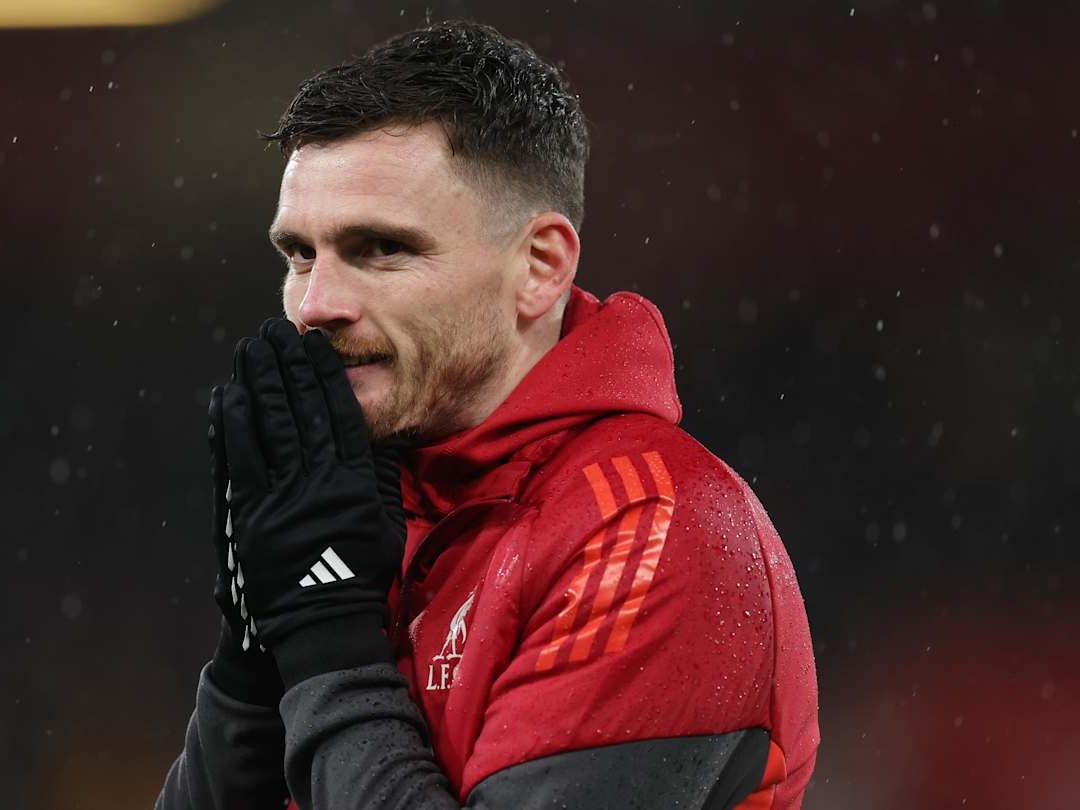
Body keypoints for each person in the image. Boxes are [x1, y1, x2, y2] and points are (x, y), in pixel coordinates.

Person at [157, 20, 819, 810]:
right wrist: (253, 658)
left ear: (539, 267)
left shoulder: (652, 528)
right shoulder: (364, 503)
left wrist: (326, 638)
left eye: (380, 249)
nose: (315, 305)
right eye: (300, 254)